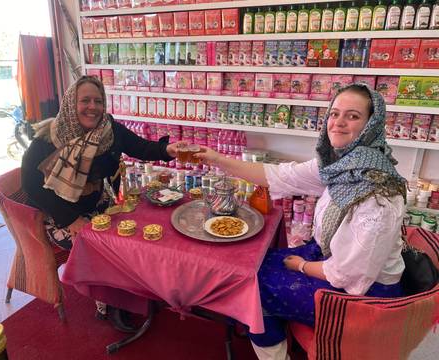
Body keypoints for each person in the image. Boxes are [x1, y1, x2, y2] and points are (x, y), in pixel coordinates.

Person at [195, 83, 406, 359]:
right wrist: (216, 158)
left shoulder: (378, 194)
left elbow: (350, 274)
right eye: (334, 114)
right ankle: (276, 334)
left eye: (352, 116)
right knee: (252, 266)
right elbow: (279, 176)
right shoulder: (341, 166)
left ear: (371, 125)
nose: (338, 123)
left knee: (252, 286)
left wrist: (303, 266)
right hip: (336, 263)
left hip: (365, 296)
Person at [22, 75, 184, 330]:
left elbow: (141, 147)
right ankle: (110, 304)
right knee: (103, 244)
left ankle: (135, 292)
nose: (93, 107)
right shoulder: (47, 139)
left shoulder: (108, 130)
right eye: (84, 100)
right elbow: (31, 185)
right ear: (69, 104)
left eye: (98, 101)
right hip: (61, 215)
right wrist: (72, 220)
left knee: (135, 230)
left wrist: (169, 150)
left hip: (98, 203)